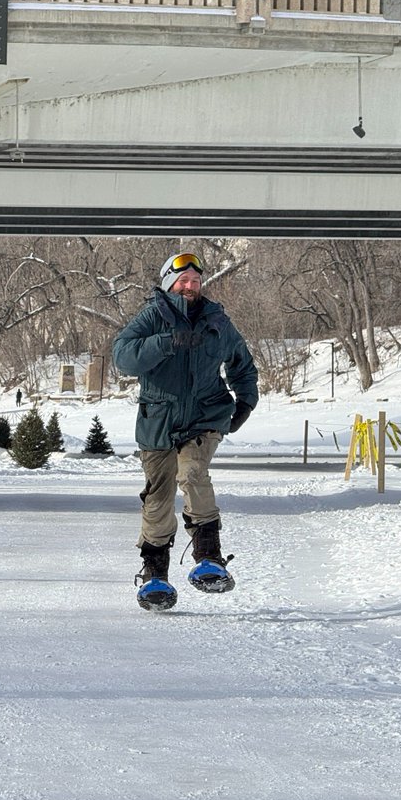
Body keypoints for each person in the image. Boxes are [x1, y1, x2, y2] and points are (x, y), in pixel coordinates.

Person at [111, 251, 259, 611]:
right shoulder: (152, 316)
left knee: (192, 474)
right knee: (158, 499)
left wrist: (245, 403)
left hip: (204, 416)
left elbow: (242, 364)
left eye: (195, 281)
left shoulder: (216, 321)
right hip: (158, 421)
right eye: (183, 281)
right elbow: (123, 357)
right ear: (169, 283)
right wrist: (163, 343)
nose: (190, 287)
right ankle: (154, 575)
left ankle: (209, 559)